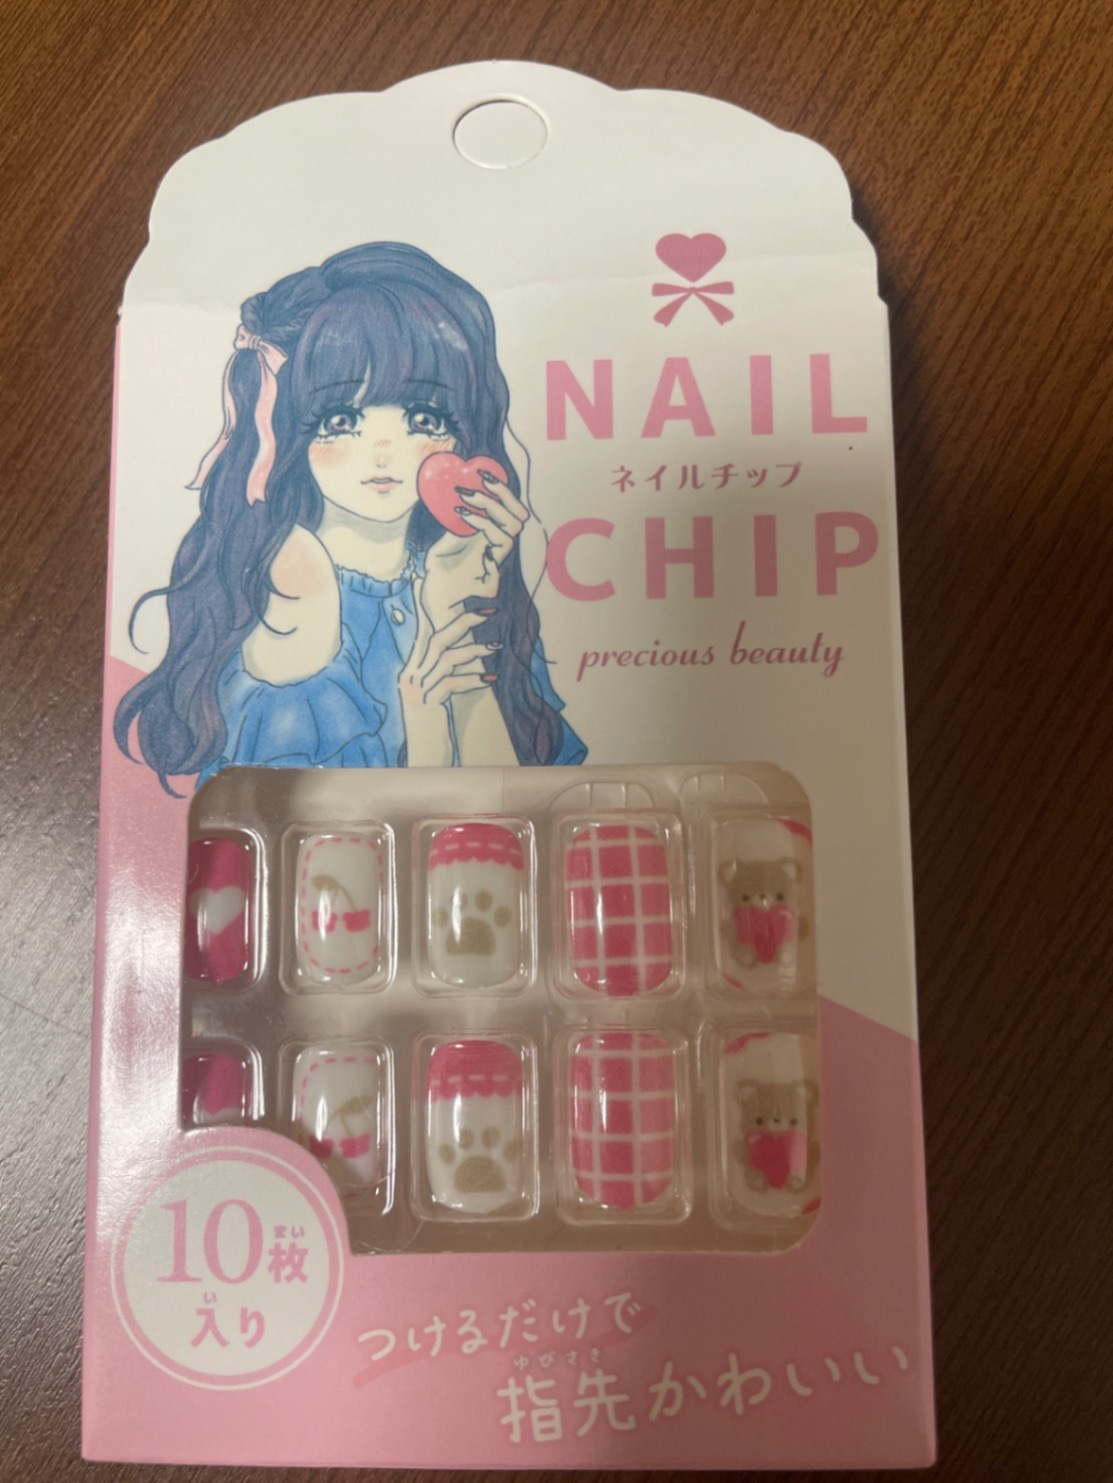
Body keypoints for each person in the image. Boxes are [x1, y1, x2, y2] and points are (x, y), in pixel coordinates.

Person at [115, 242, 585, 791]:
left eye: (423, 418)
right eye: (341, 420)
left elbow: (511, 813)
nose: (383, 452)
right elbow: (324, 834)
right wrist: (425, 716)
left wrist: (459, 610)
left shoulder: (451, 574)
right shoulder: (296, 590)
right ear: (288, 427)